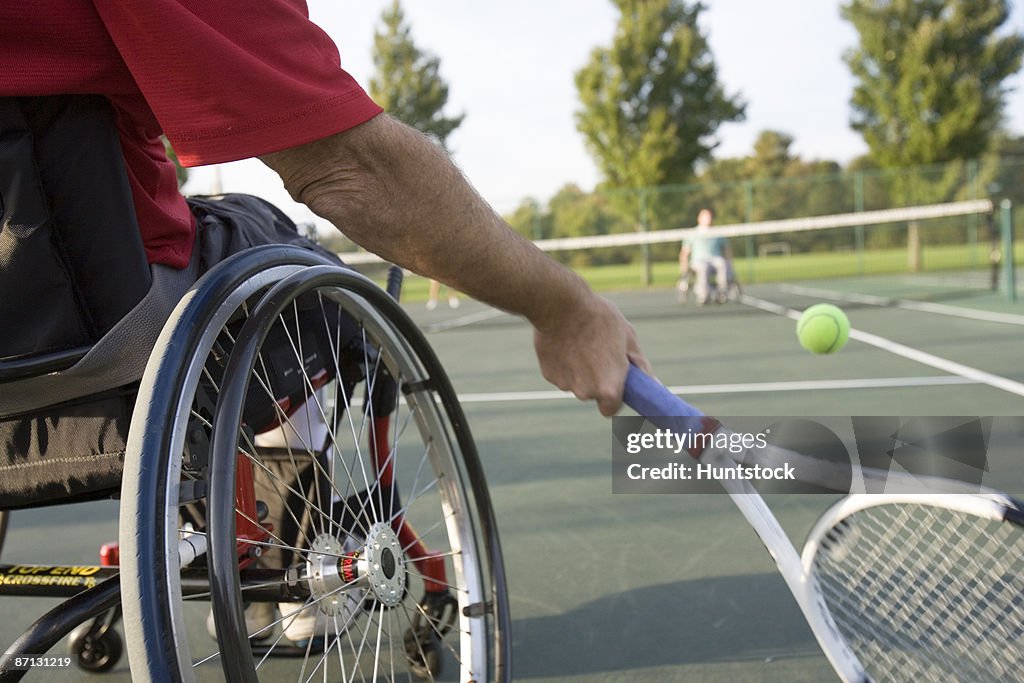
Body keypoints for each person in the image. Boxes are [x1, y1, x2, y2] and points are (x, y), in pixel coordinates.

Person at [1, 2, 649, 417]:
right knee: (282, 256)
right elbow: (352, 169)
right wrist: (565, 308)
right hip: (81, 321)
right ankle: (279, 553)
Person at [679, 208, 733, 305]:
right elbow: (684, 253)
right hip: (698, 261)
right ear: (699, 218)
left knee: (722, 264)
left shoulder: (717, 232)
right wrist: (684, 267)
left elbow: (726, 249)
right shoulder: (692, 233)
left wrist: (730, 263)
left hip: (715, 259)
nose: (708, 219)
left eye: (709, 217)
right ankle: (703, 295)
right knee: (703, 267)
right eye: (705, 217)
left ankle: (722, 293)